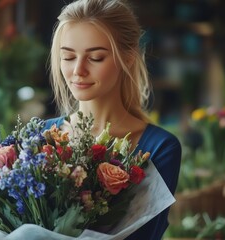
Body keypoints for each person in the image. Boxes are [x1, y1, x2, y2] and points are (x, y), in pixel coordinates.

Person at [43, 0, 182, 239]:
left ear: (128, 57)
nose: (78, 70)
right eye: (68, 57)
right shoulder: (38, 137)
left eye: (95, 58)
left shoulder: (159, 148)